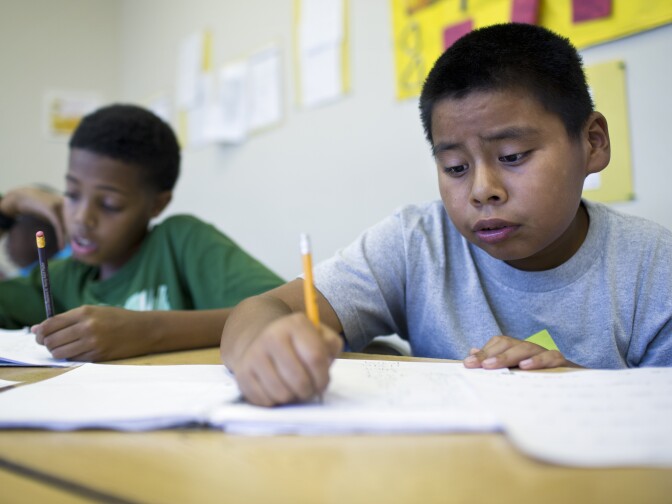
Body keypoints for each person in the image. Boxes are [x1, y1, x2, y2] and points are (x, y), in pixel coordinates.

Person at [220, 23, 672, 406]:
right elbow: (267, 307)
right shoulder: (417, 242)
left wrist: (582, 389)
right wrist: (261, 345)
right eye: (455, 167)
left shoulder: (654, 270)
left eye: (513, 156)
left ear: (592, 142)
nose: (482, 190)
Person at [0, 104, 283, 361]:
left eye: (110, 205)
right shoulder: (63, 278)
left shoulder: (180, 242)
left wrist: (150, 331)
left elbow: (289, 310)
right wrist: (7, 208)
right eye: (72, 194)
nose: (82, 218)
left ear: (158, 204)